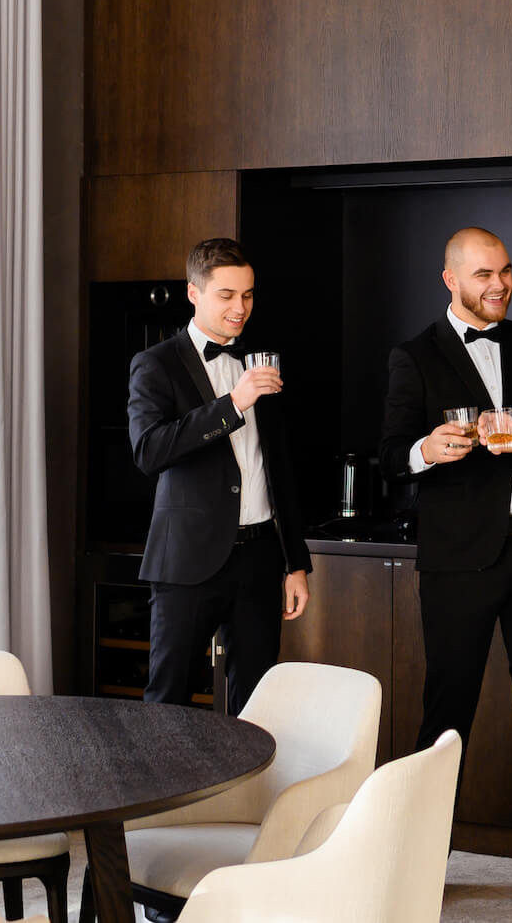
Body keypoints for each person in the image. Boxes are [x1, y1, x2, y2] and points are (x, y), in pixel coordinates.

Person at [379, 227, 512, 906]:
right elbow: (389, 459)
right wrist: (426, 450)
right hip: (459, 562)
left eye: (504, 271)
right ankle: (421, 862)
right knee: (446, 717)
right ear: (450, 279)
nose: (497, 284)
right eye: (482, 275)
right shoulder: (412, 357)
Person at [127, 237, 312, 716]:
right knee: (168, 704)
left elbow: (279, 467)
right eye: (226, 295)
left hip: (260, 560)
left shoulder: (261, 359)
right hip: (186, 560)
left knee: (256, 707)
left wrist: (296, 562)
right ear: (194, 293)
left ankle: (244, 795)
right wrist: (232, 405)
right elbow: (149, 451)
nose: (240, 308)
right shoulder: (155, 364)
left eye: (247, 295)